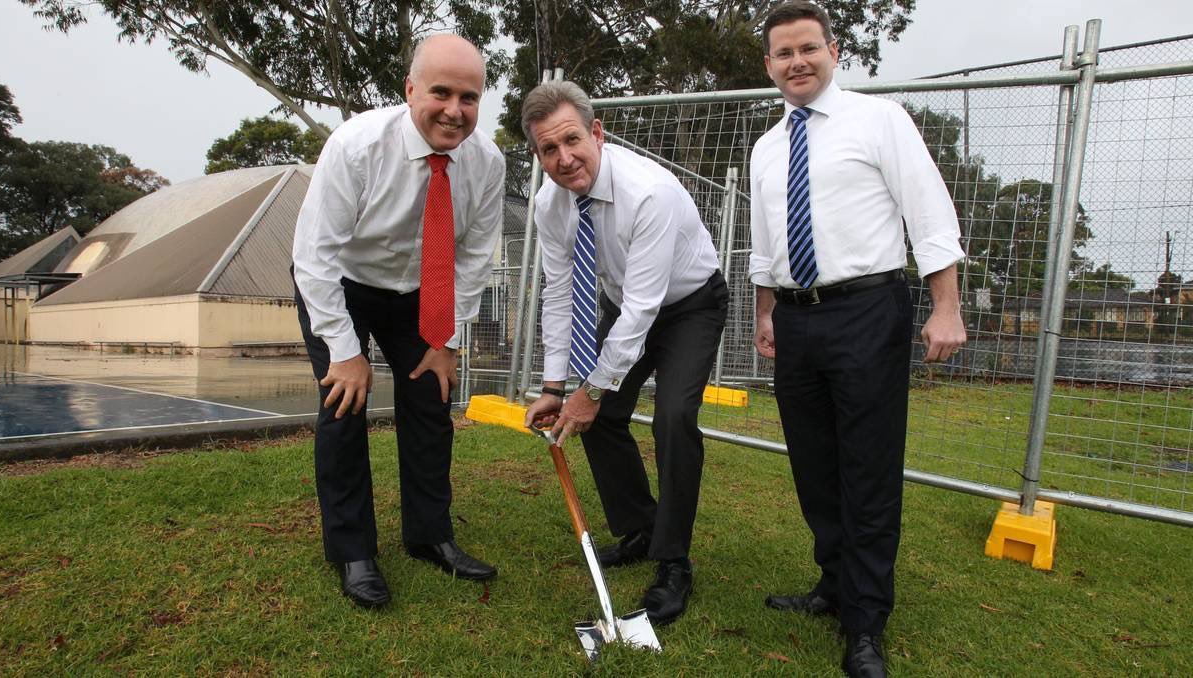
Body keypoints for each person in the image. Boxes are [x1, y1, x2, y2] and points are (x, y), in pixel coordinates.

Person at [749, 3, 967, 676]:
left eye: (807, 48)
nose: (796, 62)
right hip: (796, 318)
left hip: (868, 310)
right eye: (783, 53)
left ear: (833, 51)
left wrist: (946, 306)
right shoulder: (766, 147)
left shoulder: (880, 120)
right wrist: (764, 313)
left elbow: (927, 209)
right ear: (769, 65)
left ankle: (866, 622)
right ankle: (834, 584)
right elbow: (764, 242)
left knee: (867, 469)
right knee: (815, 464)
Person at [291, 33, 504, 609]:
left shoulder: (486, 162)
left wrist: (449, 340)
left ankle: (430, 535)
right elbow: (314, 258)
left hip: (421, 289)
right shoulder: (357, 145)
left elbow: (476, 257)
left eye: (469, 97)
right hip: (341, 281)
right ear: (410, 89)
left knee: (431, 403)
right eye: (440, 92)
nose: (454, 111)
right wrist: (345, 352)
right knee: (343, 405)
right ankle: (353, 550)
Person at [521, 81, 728, 626]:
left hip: (689, 304)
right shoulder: (550, 203)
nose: (564, 159)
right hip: (626, 303)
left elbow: (642, 310)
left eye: (572, 140)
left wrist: (589, 391)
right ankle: (641, 528)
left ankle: (673, 561)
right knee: (605, 417)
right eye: (548, 149)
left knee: (674, 416)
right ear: (538, 155)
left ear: (597, 133)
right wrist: (554, 387)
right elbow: (560, 292)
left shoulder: (649, 192)